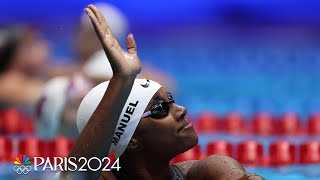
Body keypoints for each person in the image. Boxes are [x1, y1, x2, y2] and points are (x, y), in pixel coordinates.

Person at [61, 5, 264, 180]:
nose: (181, 110)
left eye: (172, 101)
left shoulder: (210, 172)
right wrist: (121, 80)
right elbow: (73, 177)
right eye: (160, 108)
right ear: (130, 140)